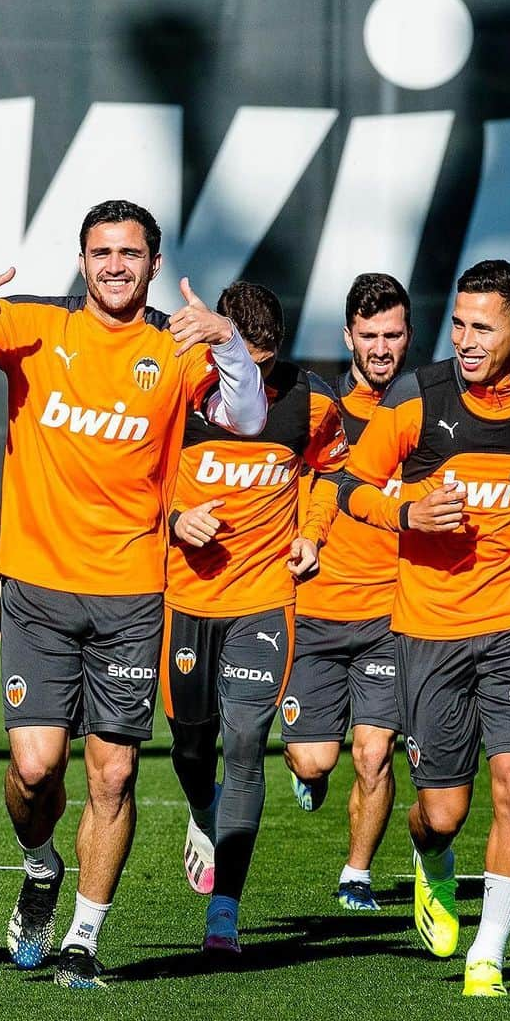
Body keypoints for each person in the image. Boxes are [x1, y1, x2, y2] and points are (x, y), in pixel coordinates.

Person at [0, 200, 265, 988]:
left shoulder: (179, 343)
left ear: (154, 265)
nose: (116, 265)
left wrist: (229, 342)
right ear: (82, 259)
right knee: (34, 771)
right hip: (37, 583)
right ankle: (39, 867)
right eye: (102, 252)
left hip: (131, 591)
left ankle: (83, 941)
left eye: (131, 253)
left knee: (114, 775)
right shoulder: (34, 328)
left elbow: (247, 413)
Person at [338, 259, 510, 996]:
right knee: (442, 811)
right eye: (458, 324)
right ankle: (431, 860)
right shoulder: (416, 397)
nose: (463, 339)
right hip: (429, 630)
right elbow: (347, 486)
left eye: (482, 328)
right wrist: (406, 512)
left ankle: (487, 955)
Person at [162, 281, 347, 955]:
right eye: (244, 360)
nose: (256, 379)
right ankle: (201, 810)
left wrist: (313, 532)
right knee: (190, 749)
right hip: (183, 601)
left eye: (266, 363)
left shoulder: (311, 400)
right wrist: (177, 522)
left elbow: (331, 471)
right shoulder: (176, 391)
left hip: (265, 601)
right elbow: (123, 484)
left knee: (244, 743)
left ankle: (224, 914)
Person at [282, 273, 412, 912]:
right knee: (313, 761)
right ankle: (307, 771)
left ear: (408, 335)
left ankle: (356, 875)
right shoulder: (319, 413)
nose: (382, 347)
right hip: (314, 609)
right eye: (370, 336)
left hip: (389, 613)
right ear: (349, 338)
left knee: (374, 751)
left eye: (392, 334)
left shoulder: (430, 417)